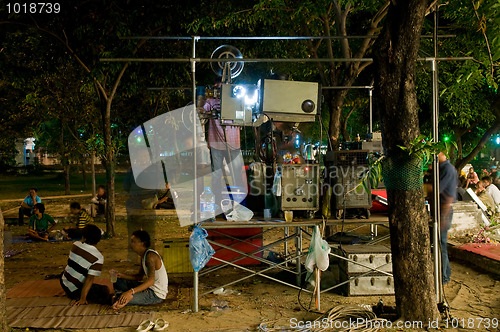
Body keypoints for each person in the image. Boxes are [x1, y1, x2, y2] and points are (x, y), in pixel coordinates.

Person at [204, 81, 246, 212]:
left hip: (233, 144)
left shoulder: (236, 100)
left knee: (236, 174)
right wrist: (209, 112)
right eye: (217, 88)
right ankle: (216, 203)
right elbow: (203, 112)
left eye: (222, 88)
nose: (219, 91)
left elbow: (244, 115)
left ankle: (239, 203)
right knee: (216, 174)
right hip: (216, 142)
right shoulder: (211, 101)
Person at [111, 230, 168, 309]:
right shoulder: (144, 256)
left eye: (133, 242)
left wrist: (131, 291)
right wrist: (120, 275)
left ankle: (121, 297)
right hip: (149, 289)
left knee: (120, 298)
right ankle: (122, 297)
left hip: (155, 295)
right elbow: (139, 277)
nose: (131, 244)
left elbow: (151, 281)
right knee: (118, 279)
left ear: (143, 243)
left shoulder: (150, 256)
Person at [60, 224, 110, 305]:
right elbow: (89, 279)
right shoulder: (98, 257)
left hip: (63, 282)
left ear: (83, 236)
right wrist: (83, 298)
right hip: (74, 291)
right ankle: (78, 295)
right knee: (104, 290)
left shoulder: (75, 245)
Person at [438, 152, 457, 286]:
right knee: (441, 244)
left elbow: (438, 188)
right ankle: (447, 274)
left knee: (441, 244)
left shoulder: (447, 169)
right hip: (444, 208)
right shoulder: (443, 168)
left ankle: (444, 277)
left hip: (445, 209)